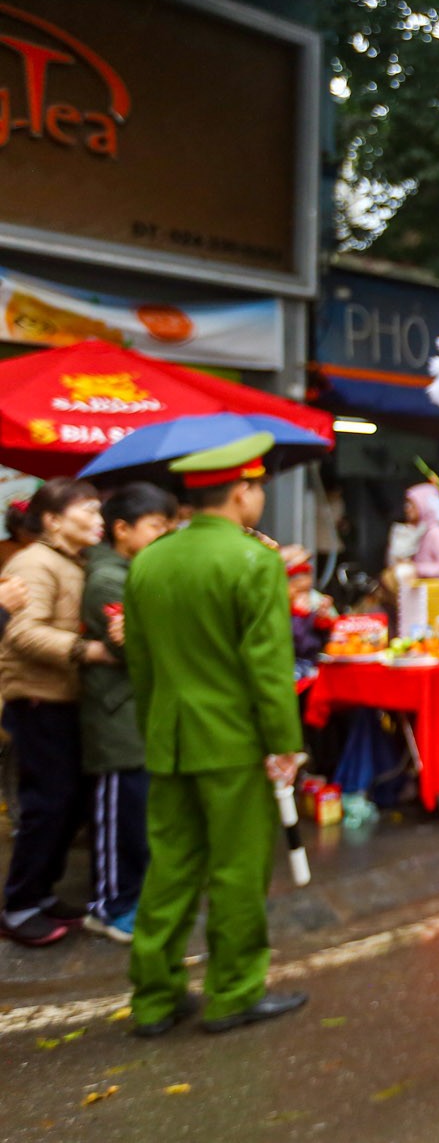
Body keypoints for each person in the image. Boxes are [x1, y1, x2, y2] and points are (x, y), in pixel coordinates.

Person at [123, 434, 308, 1036]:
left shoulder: (148, 560)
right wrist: (284, 744)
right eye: (257, 489)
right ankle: (231, 992)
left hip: (168, 738)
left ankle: (154, 997)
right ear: (241, 492)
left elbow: (142, 665)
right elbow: (268, 669)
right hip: (233, 744)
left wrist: (156, 729)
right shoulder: (254, 561)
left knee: (170, 867)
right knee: (236, 870)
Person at [0, 479, 118, 948]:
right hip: (38, 698)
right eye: (87, 512)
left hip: (63, 698)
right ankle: (19, 905)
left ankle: (41, 893)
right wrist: (89, 651)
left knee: (66, 804)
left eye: (99, 513)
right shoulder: (34, 562)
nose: (98, 522)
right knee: (48, 805)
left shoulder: (72, 561)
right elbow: (22, 633)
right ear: (52, 521)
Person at [78, 482, 179, 944]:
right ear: (122, 529)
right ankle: (109, 907)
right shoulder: (107, 579)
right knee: (119, 816)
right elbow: (141, 644)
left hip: (135, 712)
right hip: (116, 715)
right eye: (157, 525)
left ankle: (130, 900)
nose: (165, 534)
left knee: (137, 815)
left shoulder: (130, 571)